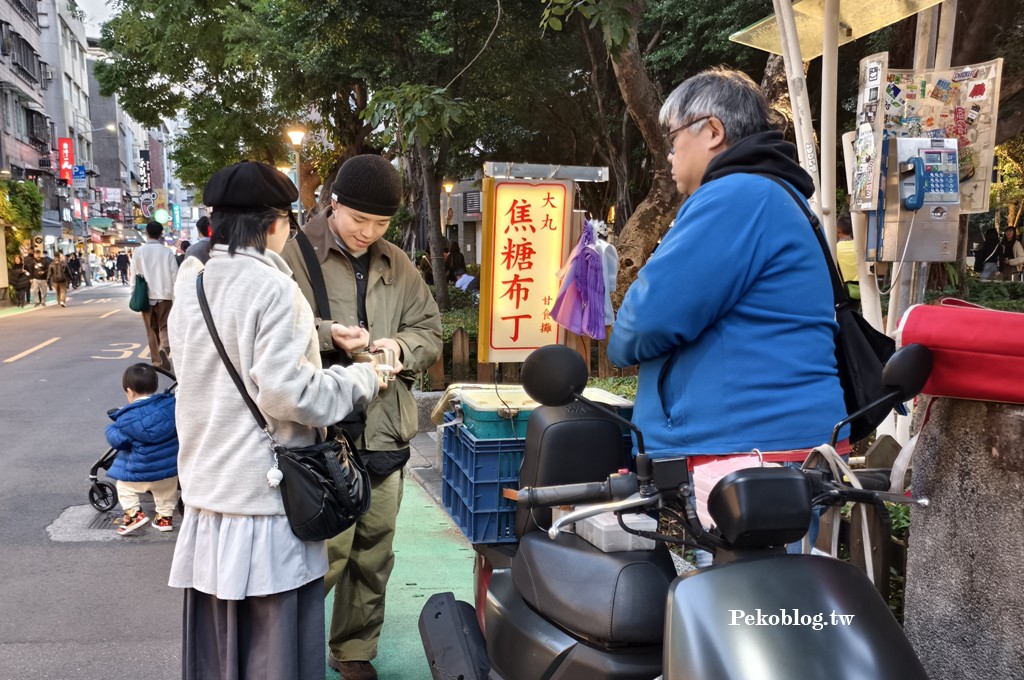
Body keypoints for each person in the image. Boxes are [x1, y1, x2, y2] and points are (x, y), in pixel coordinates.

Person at [607, 67, 847, 552]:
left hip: (743, 458)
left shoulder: (735, 196)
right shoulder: (774, 195)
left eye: (673, 139)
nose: (669, 155)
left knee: (742, 617)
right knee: (777, 611)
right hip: (770, 450)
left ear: (713, 131)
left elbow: (639, 325)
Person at [167, 160, 386, 680]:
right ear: (275, 225)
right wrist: (365, 379)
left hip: (208, 493)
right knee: (276, 649)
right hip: (265, 503)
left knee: (219, 648)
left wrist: (324, 335)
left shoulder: (193, 283)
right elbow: (293, 395)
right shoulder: (275, 288)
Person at [281, 153, 443, 679]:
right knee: (322, 556)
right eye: (359, 221)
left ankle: (353, 650)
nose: (367, 233)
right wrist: (331, 336)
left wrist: (400, 346)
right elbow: (277, 336)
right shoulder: (293, 255)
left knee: (374, 553)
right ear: (334, 205)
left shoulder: (397, 263)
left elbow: (430, 331)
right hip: (321, 433)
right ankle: (287, 651)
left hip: (385, 429)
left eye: (380, 224)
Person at [104, 363, 179, 535]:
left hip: (142, 468)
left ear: (129, 392)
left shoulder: (128, 417)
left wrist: (111, 430)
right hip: (168, 468)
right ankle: (164, 519)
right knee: (166, 491)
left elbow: (119, 442)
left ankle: (133, 515)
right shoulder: (171, 406)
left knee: (124, 487)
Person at [132, 222, 179, 371]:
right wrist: (176, 296)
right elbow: (175, 276)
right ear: (161, 234)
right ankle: (165, 346)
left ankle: (157, 361)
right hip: (165, 296)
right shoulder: (167, 252)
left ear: (146, 233)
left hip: (146, 296)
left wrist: (133, 293)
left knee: (150, 329)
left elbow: (134, 274)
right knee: (164, 325)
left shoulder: (139, 252)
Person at [834, 215, 860, 303]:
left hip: (845, 292)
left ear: (838, 230)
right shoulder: (861, 247)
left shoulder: (835, 249)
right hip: (865, 290)